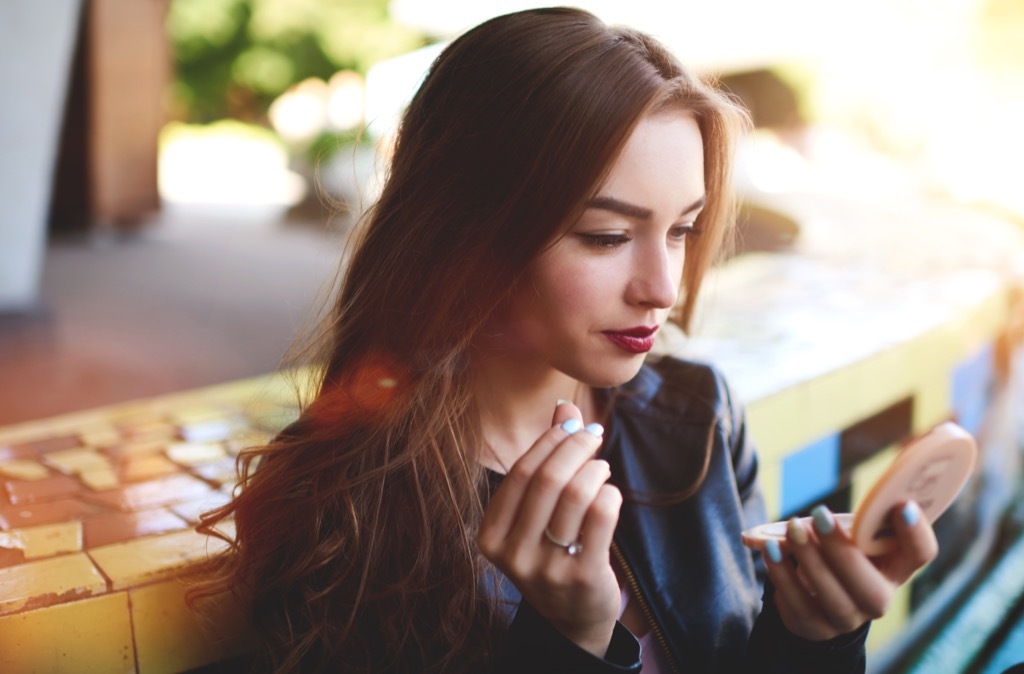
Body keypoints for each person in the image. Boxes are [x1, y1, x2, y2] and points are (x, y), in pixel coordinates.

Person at [191, 7, 938, 673]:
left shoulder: (697, 417)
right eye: (607, 236)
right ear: (466, 235)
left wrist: (814, 636)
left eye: (681, 229)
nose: (663, 286)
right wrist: (568, 643)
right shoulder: (341, 498)